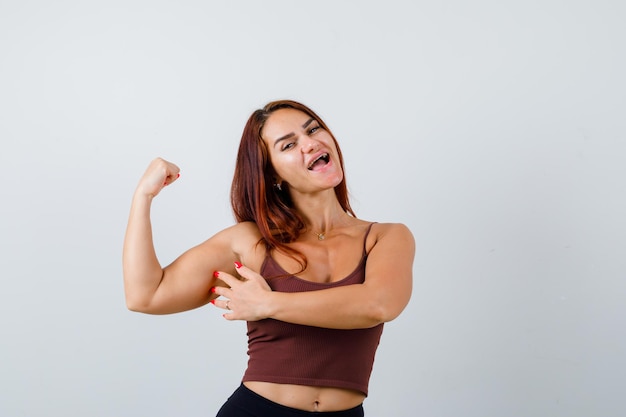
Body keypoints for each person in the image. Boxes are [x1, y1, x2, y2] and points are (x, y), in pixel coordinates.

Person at [123, 100, 415, 416]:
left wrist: (268, 304)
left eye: (313, 129)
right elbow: (145, 296)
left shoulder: (386, 237)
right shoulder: (250, 243)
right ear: (272, 173)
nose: (310, 143)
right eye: (289, 144)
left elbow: (379, 304)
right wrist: (143, 196)